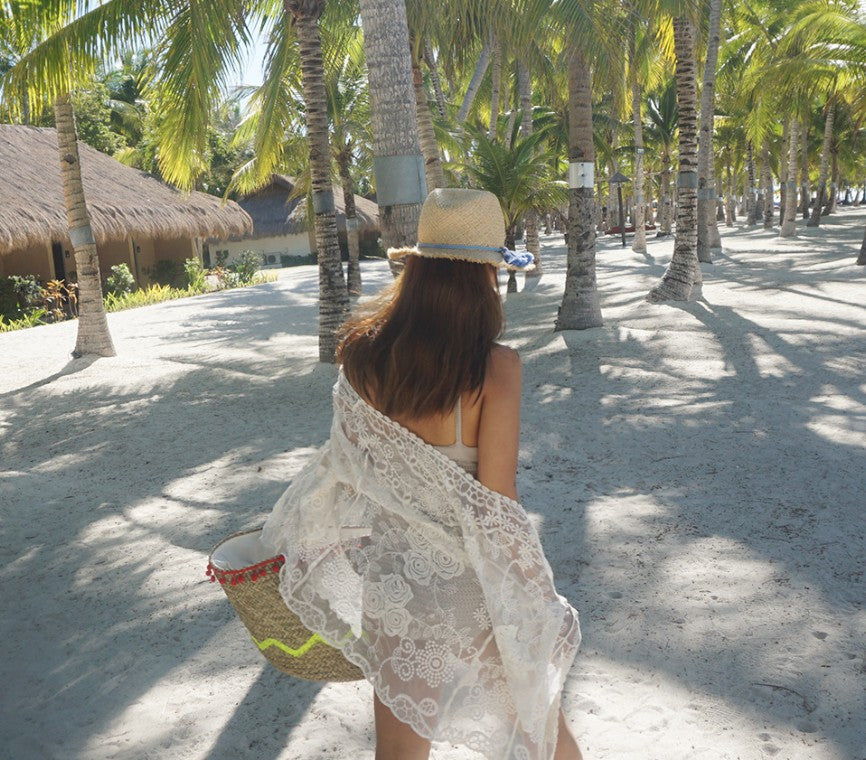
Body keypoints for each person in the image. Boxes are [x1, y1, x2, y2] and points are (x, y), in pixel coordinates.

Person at [262, 188, 582, 760]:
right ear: (485, 275)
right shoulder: (496, 369)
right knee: (541, 728)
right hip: (472, 588)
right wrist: (534, 596)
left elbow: (345, 472)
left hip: (395, 586)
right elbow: (497, 504)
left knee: (400, 754)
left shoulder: (361, 357)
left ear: (418, 268)